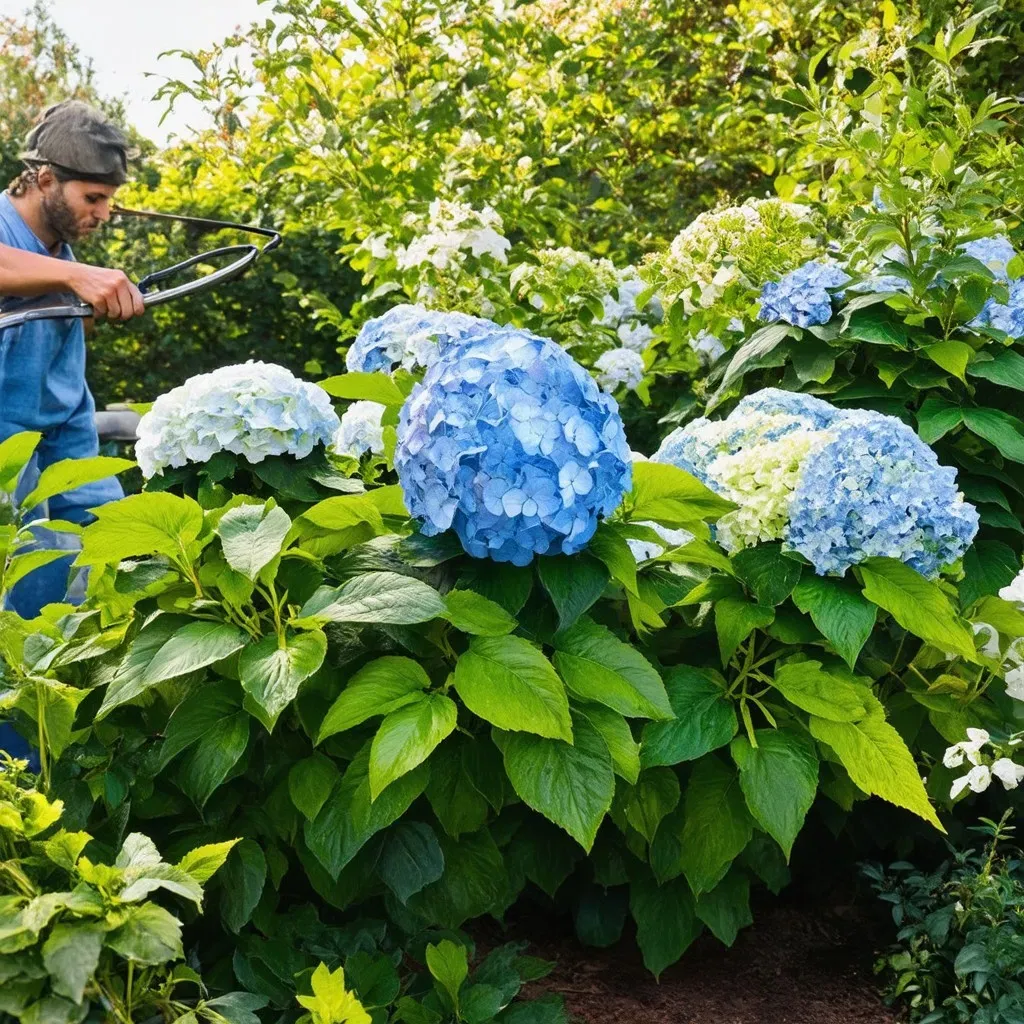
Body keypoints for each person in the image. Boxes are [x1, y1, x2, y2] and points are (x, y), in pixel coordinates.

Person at [0, 100, 145, 623]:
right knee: (29, 583)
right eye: (93, 197)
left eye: (108, 199)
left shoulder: (62, 254)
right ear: (43, 179)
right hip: (6, 448)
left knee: (123, 550)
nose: (104, 213)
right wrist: (76, 279)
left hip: (67, 432)